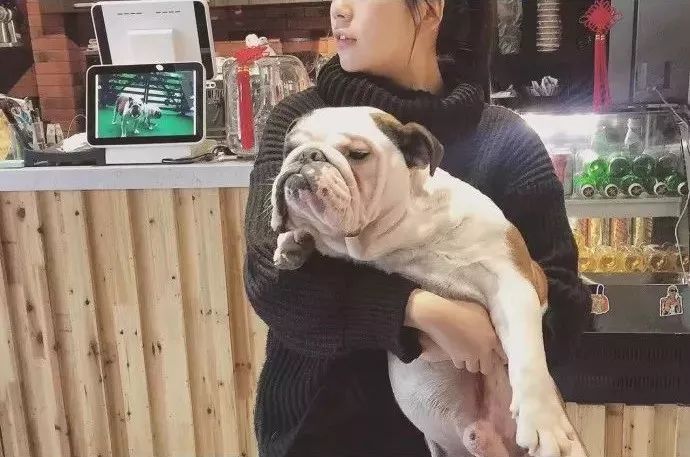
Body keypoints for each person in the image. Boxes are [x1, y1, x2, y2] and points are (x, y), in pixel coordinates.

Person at [243, 1, 592, 456]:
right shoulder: (301, 121)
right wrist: (419, 312)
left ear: (430, 8)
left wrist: (497, 333)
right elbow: (272, 282)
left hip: (490, 437)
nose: (339, 11)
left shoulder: (506, 142)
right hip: (322, 432)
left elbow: (565, 304)